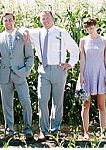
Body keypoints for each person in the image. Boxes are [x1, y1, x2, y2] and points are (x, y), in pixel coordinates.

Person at [25, 10, 79, 139]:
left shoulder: (61, 32)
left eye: (47, 18)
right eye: (43, 18)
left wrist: (70, 64)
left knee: (57, 101)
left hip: (59, 69)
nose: (45, 21)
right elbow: (21, 30)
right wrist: (25, 32)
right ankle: (43, 131)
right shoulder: (37, 33)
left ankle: (55, 130)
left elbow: (74, 49)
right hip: (44, 70)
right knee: (42, 99)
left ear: (53, 18)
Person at [0, 12, 34, 138]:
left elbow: (30, 57)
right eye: (5, 20)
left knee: (26, 101)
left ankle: (28, 129)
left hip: (20, 74)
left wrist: (26, 71)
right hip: (4, 75)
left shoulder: (23, 36)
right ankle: (9, 129)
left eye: (10, 20)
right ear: (2, 22)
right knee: (7, 104)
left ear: (14, 20)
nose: (8, 22)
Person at [78, 17, 106, 138]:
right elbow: (82, 59)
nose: (89, 31)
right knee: (85, 104)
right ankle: (86, 132)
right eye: (87, 29)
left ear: (96, 26)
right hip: (87, 73)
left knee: (101, 105)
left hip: (100, 73)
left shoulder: (104, 40)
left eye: (91, 28)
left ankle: (103, 132)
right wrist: (81, 75)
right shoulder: (83, 41)